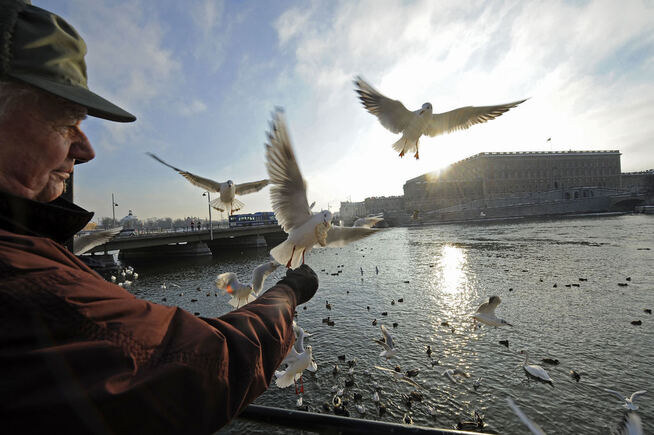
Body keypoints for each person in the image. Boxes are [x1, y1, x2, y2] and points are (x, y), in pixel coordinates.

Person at [0, 1, 319, 433]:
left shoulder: (29, 247)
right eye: (63, 120)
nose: (87, 149)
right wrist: (287, 294)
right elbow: (201, 363)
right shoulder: (26, 276)